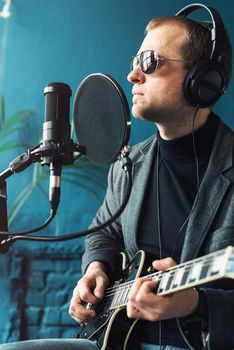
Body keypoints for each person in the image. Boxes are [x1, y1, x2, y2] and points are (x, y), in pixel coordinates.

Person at [0, 3, 233, 350]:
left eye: (150, 62)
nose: (133, 76)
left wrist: (195, 303)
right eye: (135, 64)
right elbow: (105, 231)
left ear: (204, 81)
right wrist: (95, 268)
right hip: (113, 339)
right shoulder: (131, 163)